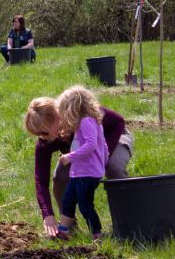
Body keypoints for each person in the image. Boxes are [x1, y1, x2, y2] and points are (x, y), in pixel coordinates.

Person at [23, 95, 132, 238]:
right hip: (83, 152)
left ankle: (128, 223)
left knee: (114, 168)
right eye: (37, 134)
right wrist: (47, 214)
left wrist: (105, 155)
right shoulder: (46, 141)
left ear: (57, 117)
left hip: (113, 138)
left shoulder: (80, 110)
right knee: (61, 176)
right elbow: (41, 180)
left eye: (43, 132)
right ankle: (69, 226)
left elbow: (119, 122)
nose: (42, 137)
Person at [53, 86, 109, 240]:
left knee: (85, 206)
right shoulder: (86, 123)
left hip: (88, 173)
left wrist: (71, 156)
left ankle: (97, 233)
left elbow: (91, 145)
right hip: (80, 172)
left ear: (72, 108)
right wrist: (103, 162)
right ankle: (63, 231)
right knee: (67, 201)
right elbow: (103, 146)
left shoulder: (87, 121)